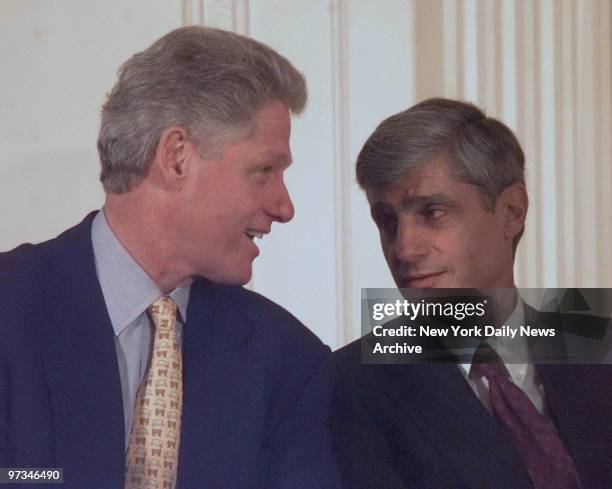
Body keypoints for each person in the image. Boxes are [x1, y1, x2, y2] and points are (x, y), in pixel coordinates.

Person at [0, 26, 340, 489]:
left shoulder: (287, 362)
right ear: (177, 157)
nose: (285, 207)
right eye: (264, 171)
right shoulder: (10, 308)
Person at [330, 98, 612, 489]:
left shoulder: (592, 339)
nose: (404, 249)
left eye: (432, 212)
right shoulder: (347, 386)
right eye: (387, 220)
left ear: (511, 211)